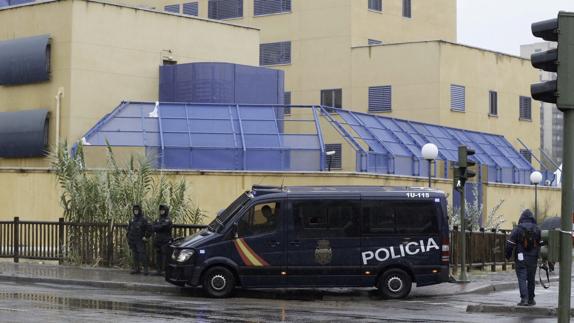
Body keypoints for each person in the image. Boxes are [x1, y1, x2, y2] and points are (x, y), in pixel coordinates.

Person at [505, 209, 541, 306]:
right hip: (533, 258)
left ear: (522, 218)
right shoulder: (537, 229)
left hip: (521, 258)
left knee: (522, 278)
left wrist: (507, 256)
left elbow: (510, 244)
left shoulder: (518, 229)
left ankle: (524, 299)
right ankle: (531, 299)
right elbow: (541, 244)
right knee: (531, 278)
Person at [127, 205, 151, 275]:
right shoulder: (132, 219)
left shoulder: (143, 219)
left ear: (139, 211)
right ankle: (136, 268)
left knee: (142, 254)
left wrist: (146, 236)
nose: (136, 211)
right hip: (133, 240)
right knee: (135, 255)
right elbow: (129, 229)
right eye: (134, 210)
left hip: (140, 240)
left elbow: (150, 229)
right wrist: (128, 237)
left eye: (137, 210)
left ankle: (145, 269)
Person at [152, 204, 173, 276]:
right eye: (160, 210)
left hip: (165, 240)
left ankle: (164, 271)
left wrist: (157, 226)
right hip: (158, 240)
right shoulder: (158, 219)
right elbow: (153, 227)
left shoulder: (168, 220)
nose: (161, 211)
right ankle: (158, 270)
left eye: (163, 210)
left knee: (165, 255)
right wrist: (157, 226)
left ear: (166, 211)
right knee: (158, 255)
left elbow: (162, 227)